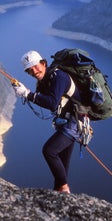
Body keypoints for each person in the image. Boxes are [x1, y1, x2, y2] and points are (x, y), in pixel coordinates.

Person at [12, 50, 84, 194]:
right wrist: (26, 92)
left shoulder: (59, 77)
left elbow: (51, 103)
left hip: (76, 121)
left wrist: (27, 94)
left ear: (44, 63)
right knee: (62, 160)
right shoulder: (45, 80)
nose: (34, 71)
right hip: (68, 121)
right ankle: (59, 190)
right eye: (30, 70)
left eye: (36, 66)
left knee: (49, 151)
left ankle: (64, 188)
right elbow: (46, 100)